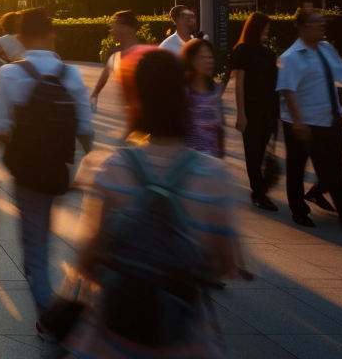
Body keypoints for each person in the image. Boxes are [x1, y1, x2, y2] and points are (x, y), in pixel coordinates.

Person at [68, 48, 239, 359]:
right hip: (184, 339)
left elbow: (86, 258)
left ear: (133, 100)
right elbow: (225, 265)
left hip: (111, 339)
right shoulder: (213, 175)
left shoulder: (109, 169)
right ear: (183, 94)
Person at [0, 8, 93, 352]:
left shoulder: (11, 74)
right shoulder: (70, 74)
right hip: (59, 172)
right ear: (53, 35)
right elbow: (85, 130)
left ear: (21, 37)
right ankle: (63, 316)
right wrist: (89, 172)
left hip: (27, 172)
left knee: (36, 252)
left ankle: (53, 326)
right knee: (55, 242)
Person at [277, 8, 342, 229]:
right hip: (302, 122)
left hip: (329, 119)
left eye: (322, 21)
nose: (322, 25)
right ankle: (298, 210)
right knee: (297, 167)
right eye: (316, 22)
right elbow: (287, 91)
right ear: (302, 27)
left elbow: (340, 73)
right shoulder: (291, 57)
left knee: (334, 167)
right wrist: (298, 122)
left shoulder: (326, 49)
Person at [229, 12, 281, 211]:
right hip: (251, 108)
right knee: (253, 152)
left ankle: (260, 189)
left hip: (268, 108)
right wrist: (241, 113)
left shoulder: (268, 53)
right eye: (265, 26)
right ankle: (258, 193)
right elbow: (239, 83)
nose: (268, 29)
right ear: (257, 28)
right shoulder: (243, 50)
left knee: (260, 151)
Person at [90, 11, 148, 110]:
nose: (111, 31)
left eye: (114, 26)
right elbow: (103, 78)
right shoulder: (115, 57)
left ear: (127, 28)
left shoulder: (146, 56)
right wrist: (94, 95)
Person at [181, 38, 224, 158]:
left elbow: (219, 128)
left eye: (210, 57)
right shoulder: (183, 92)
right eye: (203, 57)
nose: (208, 61)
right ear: (190, 60)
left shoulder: (216, 91)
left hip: (211, 162)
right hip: (187, 162)